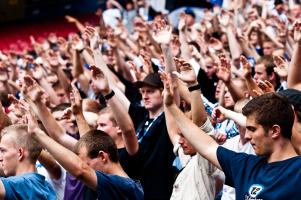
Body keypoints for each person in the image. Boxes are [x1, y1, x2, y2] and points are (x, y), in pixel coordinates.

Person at [164, 72, 301, 199]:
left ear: (275, 131)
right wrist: (171, 106)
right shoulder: (246, 165)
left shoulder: (297, 171)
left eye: (252, 129)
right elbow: (207, 146)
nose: (247, 136)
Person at [27, 110, 144, 200]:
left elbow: (81, 170)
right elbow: (88, 143)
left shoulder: (125, 186)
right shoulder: (110, 184)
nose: (86, 167)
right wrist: (78, 114)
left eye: (86, 163)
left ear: (103, 156)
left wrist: (37, 133)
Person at [0, 124, 56, 200]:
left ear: (20, 153)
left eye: (3, 151)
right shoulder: (45, 186)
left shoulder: (24, 184)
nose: (0, 157)